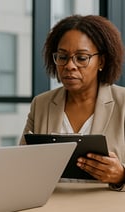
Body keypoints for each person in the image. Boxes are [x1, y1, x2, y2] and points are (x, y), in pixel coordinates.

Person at [19, 15, 125, 191]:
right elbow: (21, 164)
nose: (69, 66)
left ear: (101, 61)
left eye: (81, 58)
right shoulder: (42, 104)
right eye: (62, 57)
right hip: (51, 205)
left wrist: (121, 174)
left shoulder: (123, 103)